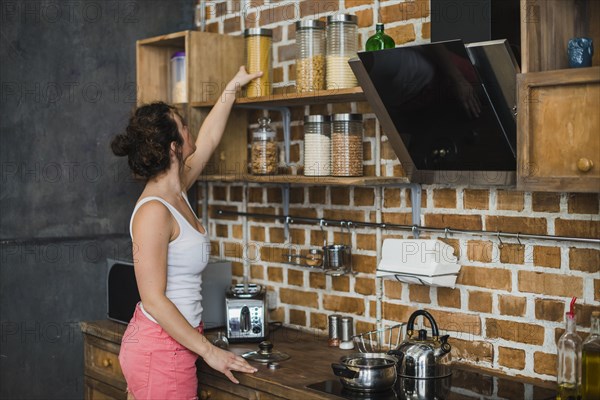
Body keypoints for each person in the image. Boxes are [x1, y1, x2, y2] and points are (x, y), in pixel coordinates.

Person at [110, 66, 262, 399]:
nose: (190, 127)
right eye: (183, 124)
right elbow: (154, 299)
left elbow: (208, 139)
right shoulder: (154, 211)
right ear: (173, 147)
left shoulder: (177, 191)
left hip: (175, 343)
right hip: (160, 349)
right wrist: (210, 351)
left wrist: (233, 86)